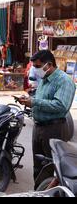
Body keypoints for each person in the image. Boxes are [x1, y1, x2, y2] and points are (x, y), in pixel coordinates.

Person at [18, 50, 76, 180]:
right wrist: (29, 98)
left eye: (38, 66)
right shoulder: (44, 79)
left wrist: (34, 102)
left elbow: (60, 106)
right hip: (38, 127)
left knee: (50, 168)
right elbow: (42, 99)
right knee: (38, 167)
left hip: (54, 129)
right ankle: (38, 191)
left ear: (49, 65)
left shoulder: (64, 81)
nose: (35, 70)